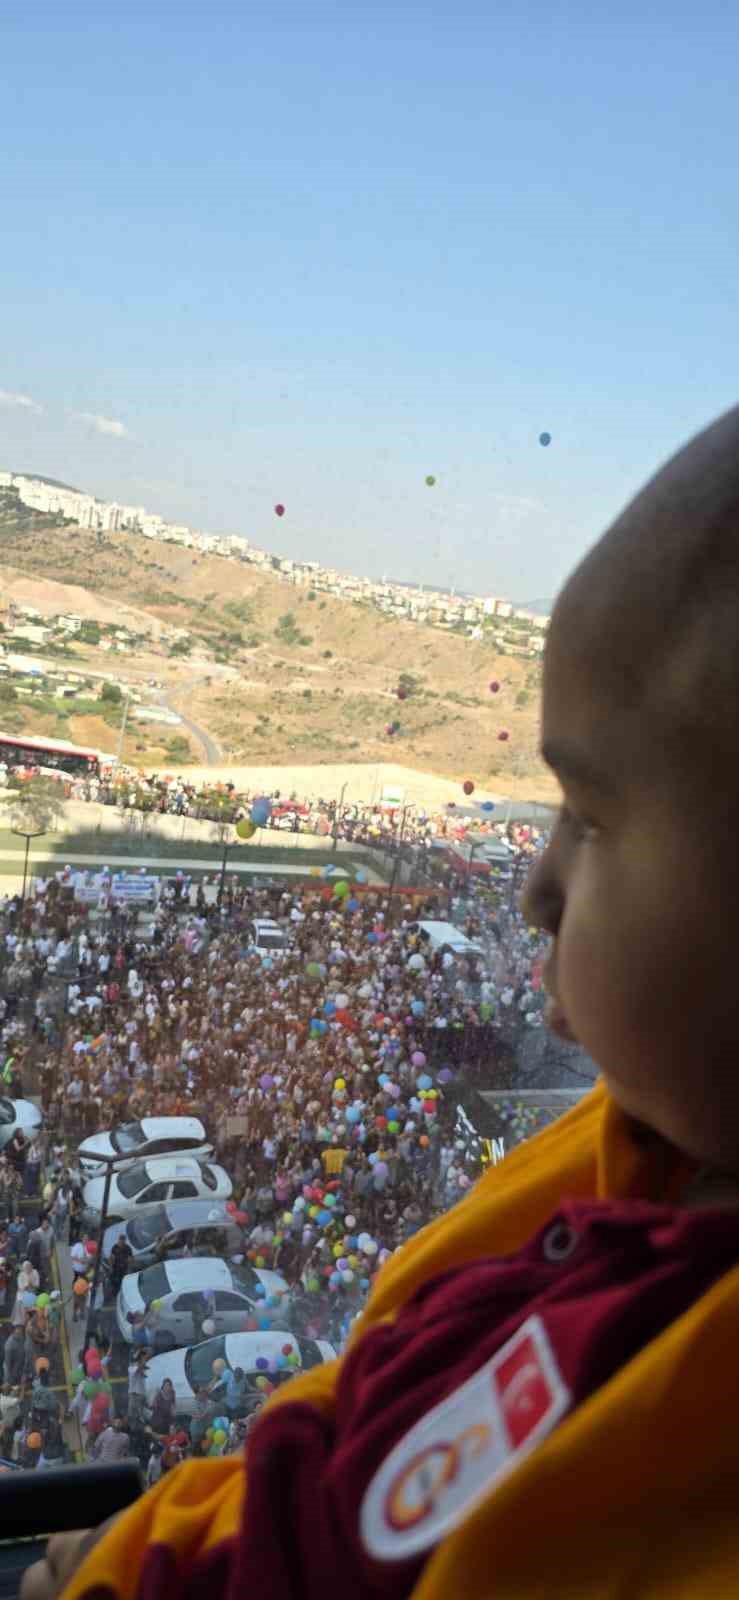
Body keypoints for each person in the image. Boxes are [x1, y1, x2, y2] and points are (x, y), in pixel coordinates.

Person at [25, 406, 739, 1595]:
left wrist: (135, 1568)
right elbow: (360, 1422)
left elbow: (351, 1525)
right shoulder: (648, 1153)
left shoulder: (643, 1379)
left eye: (588, 813)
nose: (533, 887)